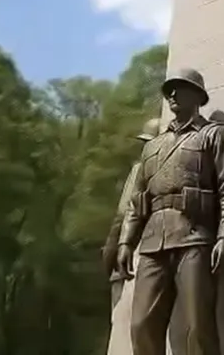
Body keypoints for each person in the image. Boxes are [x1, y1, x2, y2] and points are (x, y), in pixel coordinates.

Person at [117, 68, 224, 355]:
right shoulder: (153, 146)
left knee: (199, 326)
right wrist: (126, 241)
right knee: (141, 325)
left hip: (194, 237)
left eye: (180, 88)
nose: (172, 95)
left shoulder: (213, 135)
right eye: (169, 90)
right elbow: (138, 200)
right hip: (152, 242)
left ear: (198, 95)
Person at [103, 117, 162, 310]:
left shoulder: (141, 169)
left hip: (138, 255)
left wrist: (110, 256)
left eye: (148, 142)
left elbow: (123, 214)